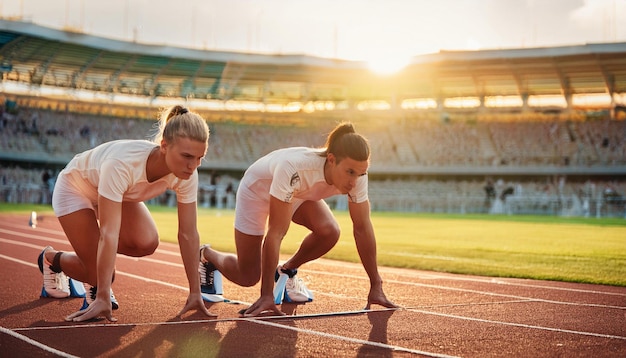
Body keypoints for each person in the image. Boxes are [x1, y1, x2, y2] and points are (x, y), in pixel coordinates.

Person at [199, 122, 398, 317]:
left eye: (361, 173)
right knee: (248, 275)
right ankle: (207, 255)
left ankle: (286, 270)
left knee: (330, 231)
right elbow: (276, 233)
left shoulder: (357, 177)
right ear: (331, 159)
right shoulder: (295, 168)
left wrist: (376, 284)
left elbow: (362, 227)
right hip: (256, 191)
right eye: (350, 172)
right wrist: (266, 294)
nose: (354, 181)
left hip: (297, 193)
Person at [38, 105, 215, 322]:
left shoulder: (186, 173)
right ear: (164, 146)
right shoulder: (122, 164)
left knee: (147, 242)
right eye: (187, 156)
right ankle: (50, 259)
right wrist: (103, 295)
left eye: (200, 158)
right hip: (77, 188)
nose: (192, 165)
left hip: (119, 193)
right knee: (99, 275)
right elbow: (109, 233)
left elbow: (188, 234)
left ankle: (90, 258)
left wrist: (195, 292)